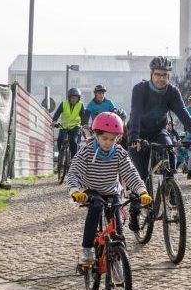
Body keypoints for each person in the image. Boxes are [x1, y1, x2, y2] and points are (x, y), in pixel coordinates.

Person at [65, 111, 151, 266]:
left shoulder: (119, 152)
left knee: (117, 225)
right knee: (96, 207)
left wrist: (141, 191)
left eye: (112, 139)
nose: (108, 142)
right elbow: (74, 172)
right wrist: (75, 191)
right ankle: (87, 248)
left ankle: (119, 254)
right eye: (104, 138)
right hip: (91, 190)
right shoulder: (86, 151)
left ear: (118, 138)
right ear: (96, 135)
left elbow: (130, 172)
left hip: (112, 190)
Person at [126, 56, 191, 229]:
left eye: (165, 75)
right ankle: (134, 211)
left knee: (169, 152)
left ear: (169, 76)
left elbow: (183, 113)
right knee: (140, 175)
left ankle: (170, 187)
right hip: (138, 133)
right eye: (158, 74)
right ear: (151, 74)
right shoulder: (140, 89)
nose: (162, 78)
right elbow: (135, 113)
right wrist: (134, 138)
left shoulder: (172, 92)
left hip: (159, 132)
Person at [52, 87, 89, 165]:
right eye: (72, 98)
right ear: (69, 97)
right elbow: (57, 113)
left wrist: (82, 125)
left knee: (73, 141)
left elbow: (83, 116)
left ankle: (73, 159)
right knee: (60, 139)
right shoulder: (64, 103)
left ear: (78, 98)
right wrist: (54, 121)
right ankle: (61, 155)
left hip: (75, 126)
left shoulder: (80, 105)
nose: (73, 99)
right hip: (64, 126)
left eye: (75, 98)